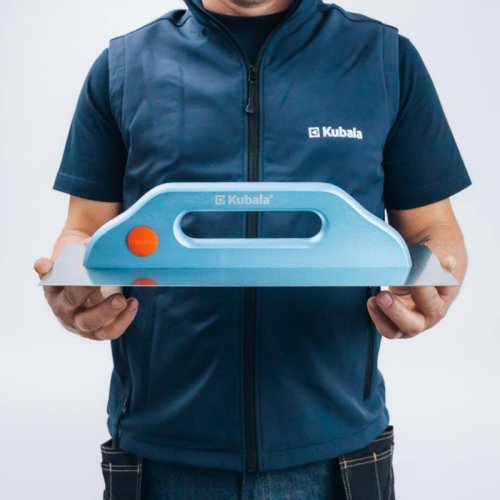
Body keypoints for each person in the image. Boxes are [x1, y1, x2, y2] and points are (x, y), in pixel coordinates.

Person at [34, 0, 471, 498]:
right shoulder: (124, 66)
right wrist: (78, 286)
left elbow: (432, 229)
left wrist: (432, 281)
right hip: (163, 455)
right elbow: (85, 230)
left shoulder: (384, 59)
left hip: (337, 454)